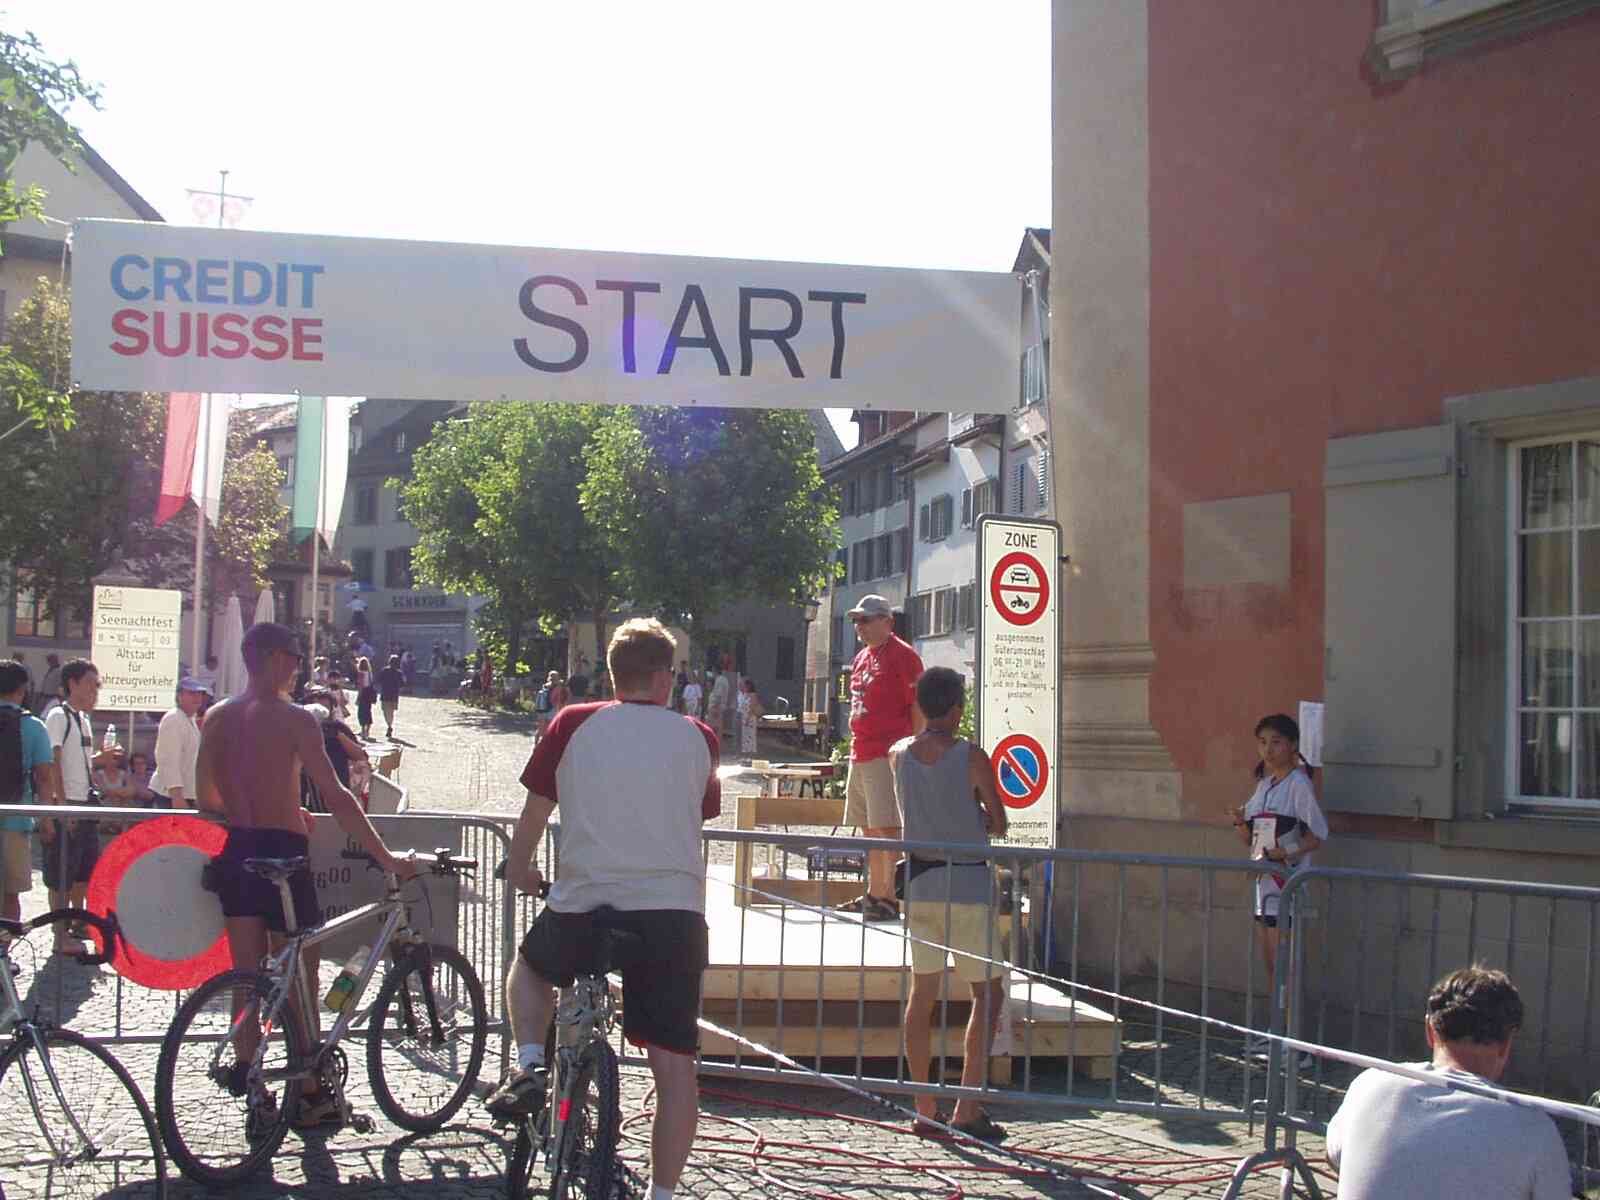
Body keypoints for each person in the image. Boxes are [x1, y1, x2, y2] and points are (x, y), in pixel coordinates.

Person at [486, 618, 720, 1200]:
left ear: (613, 675)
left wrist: (521, 868)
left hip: (585, 901)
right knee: (675, 1068)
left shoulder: (571, 722)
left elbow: (536, 809)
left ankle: (530, 1064)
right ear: (666, 677)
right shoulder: (700, 736)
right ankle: (662, 1193)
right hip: (671, 913)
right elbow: (695, 811)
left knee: (530, 970)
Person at [194, 621, 418, 1131]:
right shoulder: (295, 719)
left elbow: (205, 797)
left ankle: (254, 1088)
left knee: (247, 978)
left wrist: (257, 807)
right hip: (284, 854)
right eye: (295, 656)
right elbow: (337, 796)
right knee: (300, 974)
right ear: (274, 658)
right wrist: (384, 857)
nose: (299, 666)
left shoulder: (218, 716)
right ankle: (312, 1089)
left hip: (238, 849)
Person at [1326, 965, 1571, 1199]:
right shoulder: (1534, 1129)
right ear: (1506, 1044)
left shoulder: (1368, 1085)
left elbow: (1335, 1155)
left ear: (1429, 1030)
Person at [893, 667, 1009, 1141]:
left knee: (922, 994)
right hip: (966, 884)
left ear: (922, 706)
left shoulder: (898, 754)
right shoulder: (970, 755)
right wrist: (975, 813)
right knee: (988, 994)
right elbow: (999, 820)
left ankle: (924, 1106)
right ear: (958, 709)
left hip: (920, 884)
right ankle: (966, 1106)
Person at [1229, 712, 1327, 1062]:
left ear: (1292, 745)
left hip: (1287, 884)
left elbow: (1318, 835)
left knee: (1286, 965)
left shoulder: (1299, 784)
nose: (1268, 750)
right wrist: (1239, 822)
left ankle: (1296, 1044)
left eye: (1276, 742)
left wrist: (1285, 852)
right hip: (1264, 885)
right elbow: (1251, 839)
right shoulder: (1265, 785)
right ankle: (1276, 1034)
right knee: (1272, 964)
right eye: (1262, 742)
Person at [838, 595, 923, 922]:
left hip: (887, 753)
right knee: (869, 828)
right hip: (860, 751)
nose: (859, 626)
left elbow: (917, 706)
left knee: (887, 828)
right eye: (856, 621)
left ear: (888, 621)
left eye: (866, 619)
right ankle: (875, 893)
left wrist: (913, 749)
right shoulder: (862, 657)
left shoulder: (903, 656)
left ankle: (889, 897)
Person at [42, 659, 118, 955]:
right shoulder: (58, 716)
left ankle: (77, 922)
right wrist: (62, 807)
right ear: (72, 684)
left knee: (84, 870)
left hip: (85, 803)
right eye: (90, 684)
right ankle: (59, 935)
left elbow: (78, 762)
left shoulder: (83, 719)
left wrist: (101, 759)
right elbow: (53, 762)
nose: (94, 691)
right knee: (60, 874)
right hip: (69, 805)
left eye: (97, 685)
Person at [0, 660, 54, 932]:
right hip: (16, 819)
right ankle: (4, 950)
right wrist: (46, 819)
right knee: (11, 895)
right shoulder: (33, 726)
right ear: (22, 689)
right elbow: (44, 777)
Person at [150, 677, 209, 808]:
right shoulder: (173, 719)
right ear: (180, 696)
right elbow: (168, 759)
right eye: (192, 693)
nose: (197, 698)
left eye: (199, 694)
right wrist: (176, 796)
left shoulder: (189, 719)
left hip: (186, 794)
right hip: (170, 796)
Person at [377, 654, 405, 739]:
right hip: (394, 695)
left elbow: (379, 680)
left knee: (386, 712)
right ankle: (390, 725)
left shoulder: (385, 670)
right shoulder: (399, 673)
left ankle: (389, 725)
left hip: (385, 694)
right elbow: (402, 684)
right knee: (391, 712)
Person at [736, 677, 764, 758]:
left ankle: (750, 754)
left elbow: (752, 707)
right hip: (744, 716)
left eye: (744, 685)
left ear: (748, 686)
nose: (743, 687)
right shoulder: (745, 694)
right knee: (745, 737)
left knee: (750, 736)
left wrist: (747, 719)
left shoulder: (753, 695)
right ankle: (745, 754)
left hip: (750, 717)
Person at [705, 656, 732, 736]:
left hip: (717, 708)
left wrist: (715, 708)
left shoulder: (719, 680)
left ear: (715, 671)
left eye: (712, 671)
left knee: (714, 729)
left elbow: (718, 696)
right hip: (720, 706)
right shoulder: (725, 679)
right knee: (718, 728)